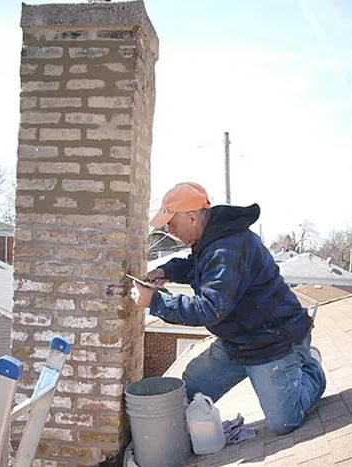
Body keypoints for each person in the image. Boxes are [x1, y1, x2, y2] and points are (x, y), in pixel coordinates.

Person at [131, 182, 326, 435]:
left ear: (191, 217)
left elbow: (210, 308)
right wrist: (166, 271)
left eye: (172, 222)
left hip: (273, 342)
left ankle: (310, 364)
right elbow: (197, 266)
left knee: (284, 423)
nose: (169, 230)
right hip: (238, 341)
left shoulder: (228, 248)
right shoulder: (212, 238)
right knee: (189, 393)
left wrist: (154, 302)